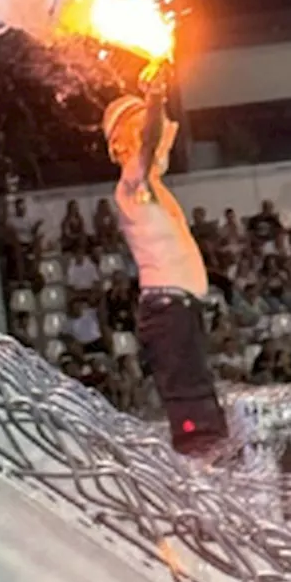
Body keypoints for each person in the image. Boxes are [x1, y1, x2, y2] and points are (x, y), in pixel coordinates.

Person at [103, 86, 234, 462]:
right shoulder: (131, 185)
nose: (146, 125)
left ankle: (213, 493)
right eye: (135, 123)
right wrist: (156, 98)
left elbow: (158, 139)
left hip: (179, 312)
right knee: (195, 423)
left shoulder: (151, 185)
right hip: (168, 312)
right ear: (118, 145)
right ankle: (204, 502)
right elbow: (149, 145)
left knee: (203, 413)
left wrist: (157, 98)